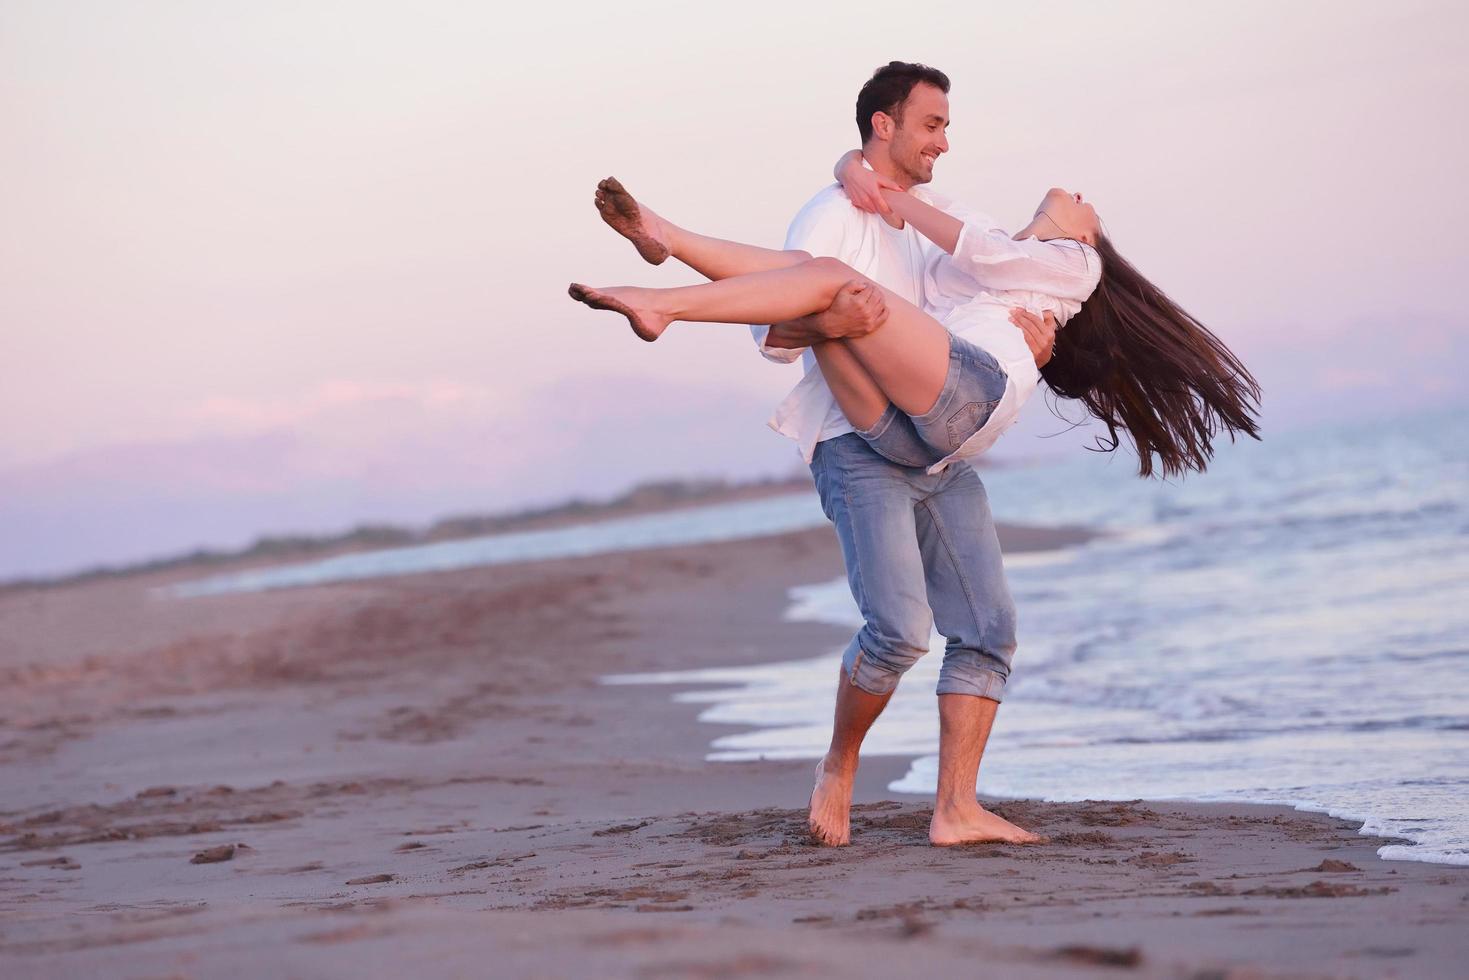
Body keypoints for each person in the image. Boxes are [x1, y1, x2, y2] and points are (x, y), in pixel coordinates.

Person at [572, 62, 1259, 848]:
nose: (944, 141)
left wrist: (881, 216)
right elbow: (772, 329)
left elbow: (977, 255)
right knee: (896, 627)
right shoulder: (831, 211)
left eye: (945, 126)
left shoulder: (981, 230)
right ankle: (839, 765)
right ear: (882, 126)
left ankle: (956, 807)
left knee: (986, 627)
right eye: (931, 125)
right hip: (864, 438)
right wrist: (849, 216)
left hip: (942, 437)